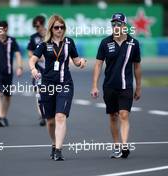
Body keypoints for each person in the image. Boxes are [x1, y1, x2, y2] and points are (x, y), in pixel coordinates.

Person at [29, 15, 86, 161]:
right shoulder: (44, 44)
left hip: (65, 84)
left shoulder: (69, 42)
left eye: (62, 27)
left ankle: (59, 150)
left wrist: (81, 62)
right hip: (47, 85)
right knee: (50, 121)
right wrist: (33, 69)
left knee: (60, 116)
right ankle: (54, 144)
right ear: (51, 29)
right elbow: (32, 60)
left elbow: (76, 60)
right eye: (56, 27)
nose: (59, 30)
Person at [91, 13, 142, 159]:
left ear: (125, 26)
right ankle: (116, 146)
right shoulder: (105, 42)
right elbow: (98, 65)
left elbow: (137, 67)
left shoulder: (134, 44)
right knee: (113, 116)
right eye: (113, 24)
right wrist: (94, 85)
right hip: (109, 86)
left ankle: (125, 145)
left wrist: (138, 87)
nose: (116, 26)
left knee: (124, 114)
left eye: (119, 24)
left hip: (126, 87)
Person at [0, 21, 23, 127]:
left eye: (4, 29)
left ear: (7, 29)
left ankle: (3, 116)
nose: (2, 31)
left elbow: (18, 54)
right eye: (0, 29)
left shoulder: (12, 41)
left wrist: (20, 67)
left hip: (8, 72)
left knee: (7, 96)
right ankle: (0, 116)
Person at [27, 15, 47, 126]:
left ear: (43, 24)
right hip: (38, 68)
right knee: (39, 92)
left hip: (51, 68)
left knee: (51, 91)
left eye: (38, 26)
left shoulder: (51, 34)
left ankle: (49, 112)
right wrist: (38, 58)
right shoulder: (33, 37)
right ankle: (41, 115)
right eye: (35, 26)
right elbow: (29, 52)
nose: (37, 28)